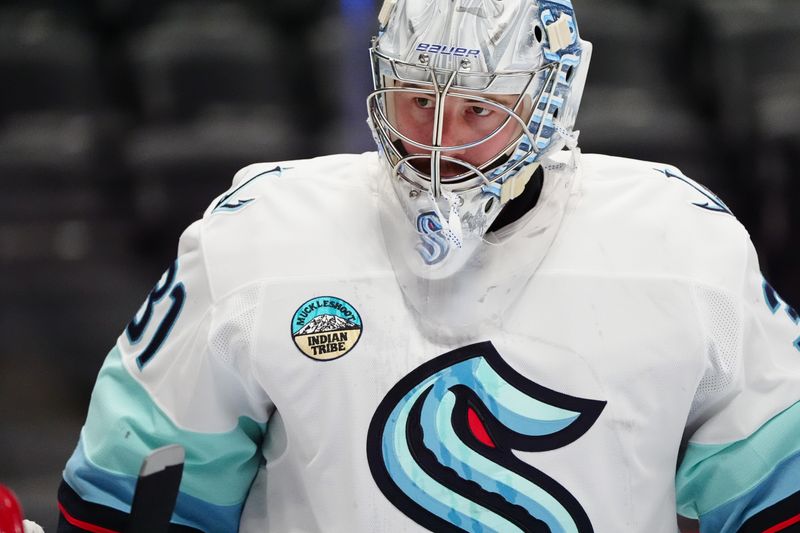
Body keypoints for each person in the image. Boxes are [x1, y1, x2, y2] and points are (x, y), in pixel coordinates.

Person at [57, 0, 800, 531]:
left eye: (479, 109)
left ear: (552, 100)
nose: (437, 141)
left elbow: (779, 490)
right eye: (417, 99)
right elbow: (130, 495)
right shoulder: (256, 238)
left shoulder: (683, 245)